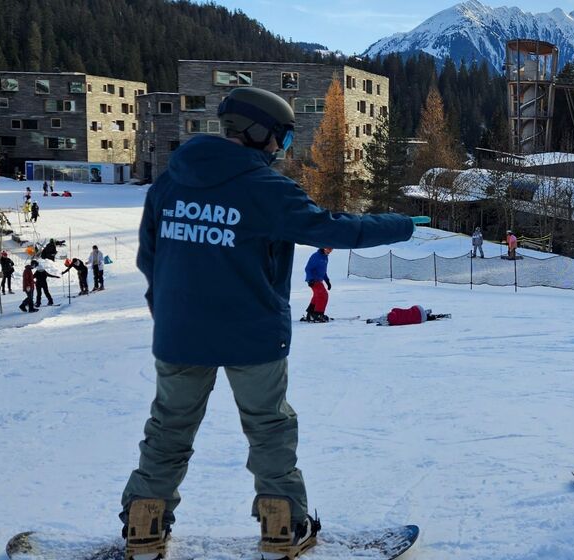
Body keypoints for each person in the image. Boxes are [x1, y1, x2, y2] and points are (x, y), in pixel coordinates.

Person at [121, 86, 417, 560]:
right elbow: (336, 228)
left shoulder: (169, 185)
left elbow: (149, 257)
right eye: (280, 136)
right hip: (253, 335)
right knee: (269, 428)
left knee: (169, 430)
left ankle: (144, 527)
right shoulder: (266, 189)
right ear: (259, 132)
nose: (281, 148)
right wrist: (401, 225)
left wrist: (171, 315)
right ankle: (282, 529)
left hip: (180, 336)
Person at [303, 248, 332, 322]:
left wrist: (327, 281)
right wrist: (310, 279)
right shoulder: (316, 256)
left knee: (317, 296)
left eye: (331, 249)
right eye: (328, 249)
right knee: (323, 295)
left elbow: (323, 272)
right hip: (313, 280)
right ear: (323, 248)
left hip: (319, 280)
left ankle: (310, 314)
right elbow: (308, 268)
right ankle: (317, 315)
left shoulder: (325, 258)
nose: (329, 251)